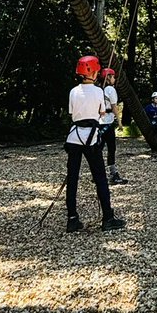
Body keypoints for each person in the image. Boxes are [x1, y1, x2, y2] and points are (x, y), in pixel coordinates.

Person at [65, 55, 125, 233]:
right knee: (100, 178)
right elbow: (101, 112)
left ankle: (72, 218)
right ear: (93, 72)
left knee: (72, 178)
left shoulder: (73, 91)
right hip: (90, 138)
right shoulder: (99, 91)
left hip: (74, 137)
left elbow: (72, 114)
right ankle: (108, 218)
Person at [100, 67, 128, 186]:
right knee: (111, 148)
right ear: (108, 78)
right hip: (108, 122)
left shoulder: (99, 89)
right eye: (113, 77)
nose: (114, 79)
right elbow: (114, 107)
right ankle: (113, 174)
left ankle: (98, 173)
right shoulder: (111, 90)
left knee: (98, 148)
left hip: (99, 122)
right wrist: (119, 122)